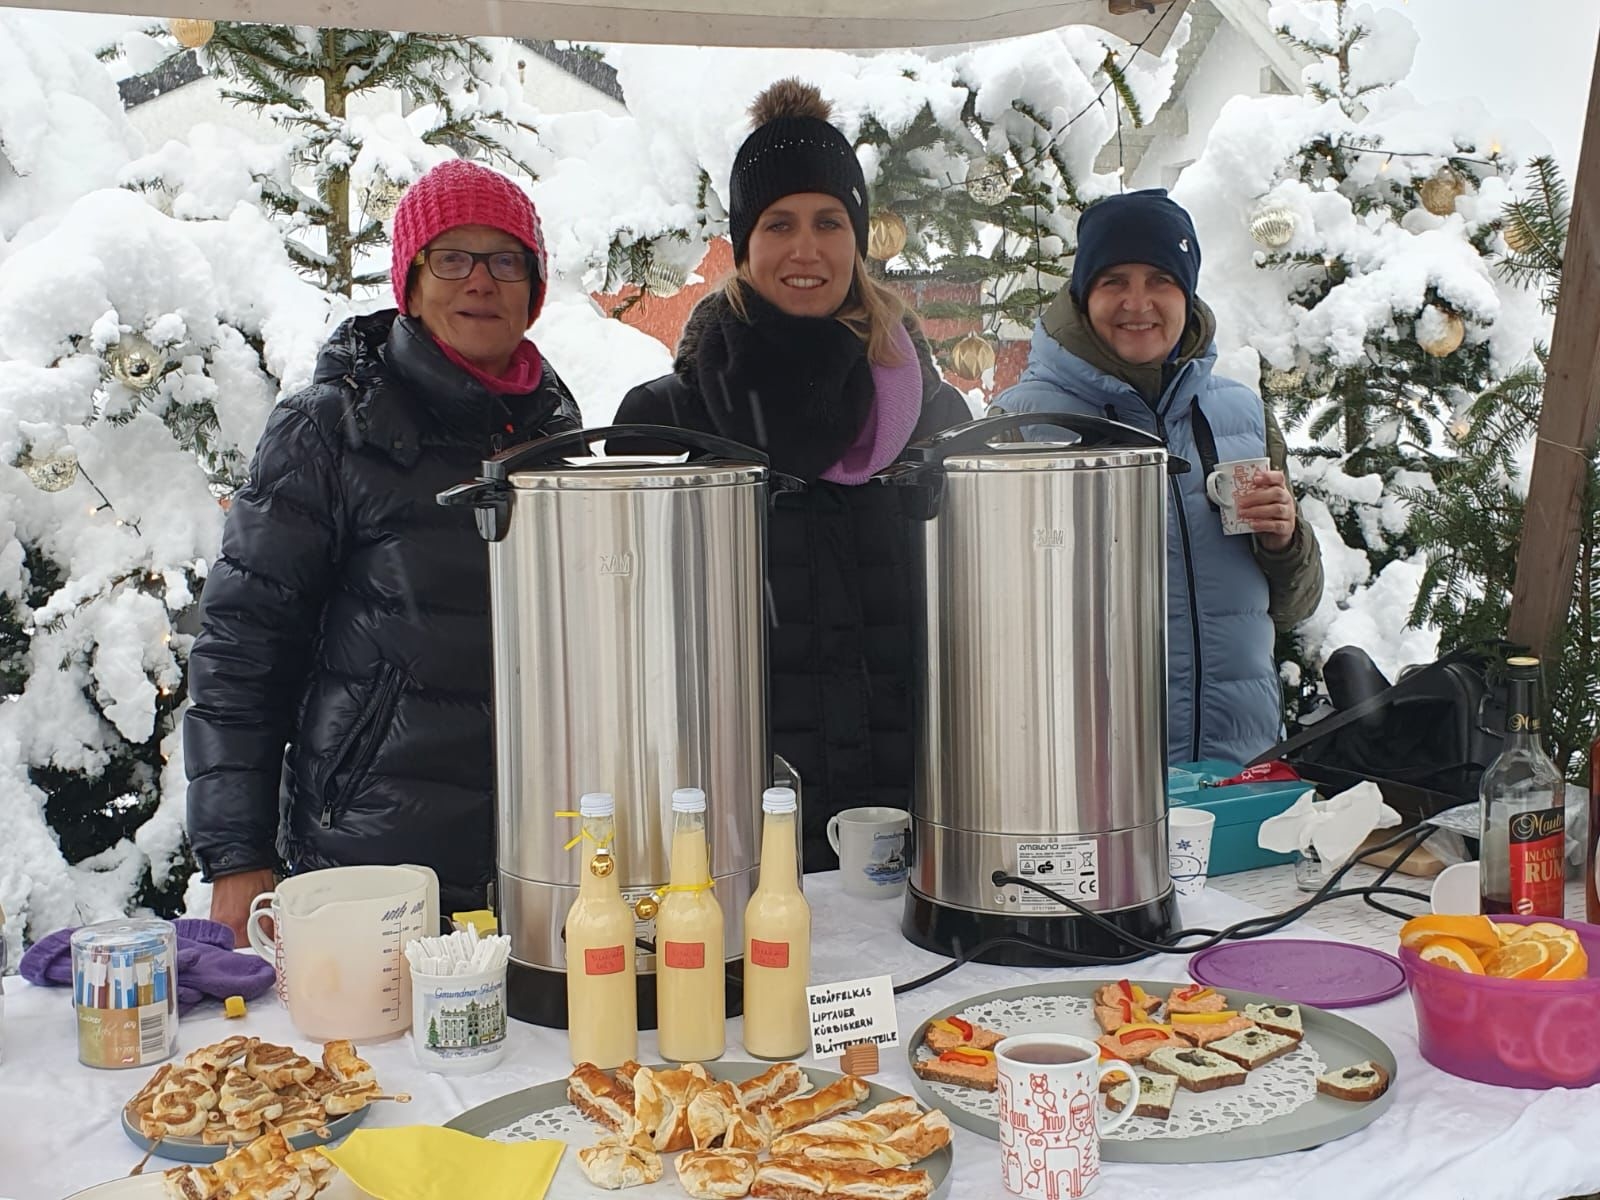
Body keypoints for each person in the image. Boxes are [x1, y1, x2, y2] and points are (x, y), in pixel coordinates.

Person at [185, 159, 582, 944]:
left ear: (533, 290)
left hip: (540, 853)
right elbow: (241, 645)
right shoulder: (330, 429)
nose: (480, 282)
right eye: (452, 258)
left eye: (506, 260)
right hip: (368, 857)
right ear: (411, 279)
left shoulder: (561, 433)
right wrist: (237, 855)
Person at [614, 79, 969, 871]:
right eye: (779, 224)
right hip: (730, 832)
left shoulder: (929, 416)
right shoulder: (667, 421)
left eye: (828, 222)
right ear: (744, 245)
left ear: (858, 238)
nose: (806, 249)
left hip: (914, 824)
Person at [995, 189, 1322, 766]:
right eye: (1114, 280)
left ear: (1187, 292)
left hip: (1235, 770)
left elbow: (1293, 607)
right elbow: (993, 617)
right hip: (1086, 778)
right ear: (1084, 294)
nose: (1137, 302)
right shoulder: (1026, 424)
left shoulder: (1239, 415)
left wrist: (1283, 542)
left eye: (1160, 280)